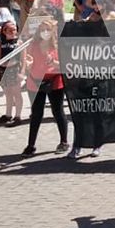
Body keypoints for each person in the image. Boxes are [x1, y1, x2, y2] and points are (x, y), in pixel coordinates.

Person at [22, 19, 70, 157]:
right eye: (42, 29)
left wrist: (52, 61)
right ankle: (31, 145)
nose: (45, 32)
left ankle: (64, 141)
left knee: (58, 111)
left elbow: (65, 66)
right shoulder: (33, 45)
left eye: (47, 30)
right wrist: (28, 65)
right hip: (35, 82)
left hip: (54, 81)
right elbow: (28, 62)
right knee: (36, 113)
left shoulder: (58, 46)